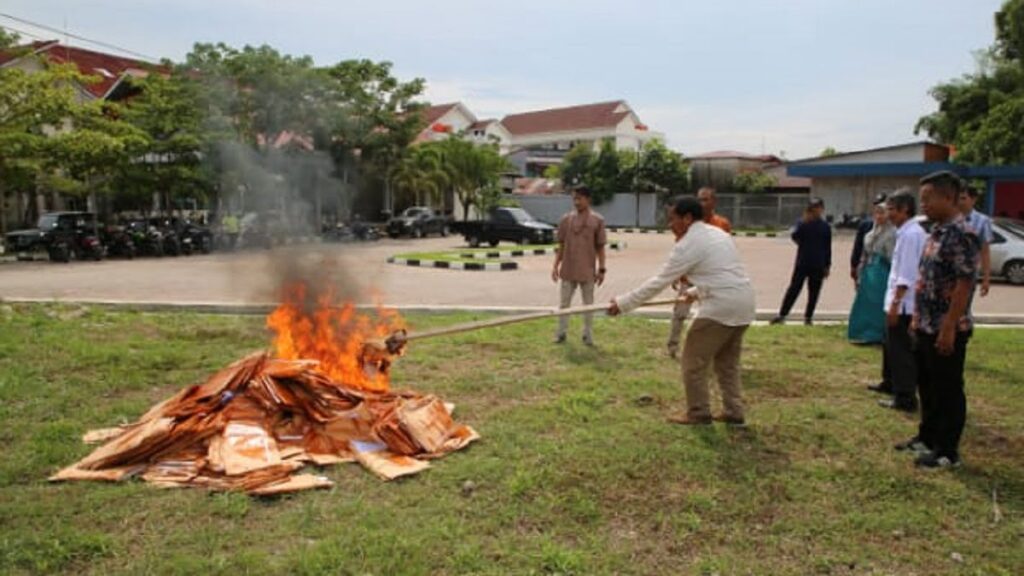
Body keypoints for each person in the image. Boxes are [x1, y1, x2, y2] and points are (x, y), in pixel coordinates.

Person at [609, 197, 756, 425]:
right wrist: (695, 292)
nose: (670, 225)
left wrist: (623, 303)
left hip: (721, 308)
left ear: (687, 218)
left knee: (692, 362)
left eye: (673, 219)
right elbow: (722, 273)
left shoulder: (687, 245)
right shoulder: (719, 234)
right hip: (744, 303)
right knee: (727, 363)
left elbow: (659, 282)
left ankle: (698, 412)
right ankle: (734, 411)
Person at [896, 171, 979, 469]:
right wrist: (917, 319)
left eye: (928, 199)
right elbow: (926, 279)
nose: (924, 204)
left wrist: (948, 327)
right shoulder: (936, 231)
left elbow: (964, 284)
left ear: (948, 197)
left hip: (948, 328)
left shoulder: (962, 234)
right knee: (927, 385)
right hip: (927, 324)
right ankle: (927, 437)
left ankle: (947, 451)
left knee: (948, 389)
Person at [869, 189, 928, 412]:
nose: (889, 213)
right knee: (891, 347)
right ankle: (892, 384)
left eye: (893, 209)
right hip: (897, 302)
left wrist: (895, 304)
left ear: (905, 210)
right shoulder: (904, 231)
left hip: (903, 305)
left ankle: (905, 398)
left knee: (901, 352)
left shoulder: (912, 234)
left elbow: (907, 273)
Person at [666, 187, 732, 358]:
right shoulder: (688, 223)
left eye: (705, 199)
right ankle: (673, 347)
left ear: (714, 202)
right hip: (689, 277)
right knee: (680, 312)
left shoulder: (722, 224)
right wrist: (677, 274)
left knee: (711, 316)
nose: (701, 203)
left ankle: (713, 350)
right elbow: (682, 250)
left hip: (711, 280)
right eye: (699, 199)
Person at [552, 186, 607, 346]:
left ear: (588, 199)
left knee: (588, 305)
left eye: (579, 198)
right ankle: (561, 333)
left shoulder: (597, 220)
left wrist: (602, 269)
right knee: (564, 304)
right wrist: (555, 266)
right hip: (568, 269)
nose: (576, 202)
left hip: (588, 270)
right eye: (574, 199)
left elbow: (600, 247)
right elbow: (561, 245)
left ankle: (587, 335)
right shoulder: (566, 220)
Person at [770, 197, 832, 325]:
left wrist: (827, 265)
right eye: (813, 208)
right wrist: (804, 222)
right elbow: (794, 236)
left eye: (818, 208)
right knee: (794, 289)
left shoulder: (825, 227)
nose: (815, 210)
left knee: (814, 292)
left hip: (818, 263)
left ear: (822, 209)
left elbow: (828, 247)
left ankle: (808, 317)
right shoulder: (802, 223)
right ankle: (782, 315)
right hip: (803, 262)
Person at [847, 196, 895, 344]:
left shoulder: (892, 234)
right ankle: (862, 333)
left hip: (883, 271)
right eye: (877, 213)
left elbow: (892, 256)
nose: (879, 216)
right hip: (869, 271)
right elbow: (863, 252)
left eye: (883, 213)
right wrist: (859, 271)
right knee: (865, 302)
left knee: (879, 303)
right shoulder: (870, 234)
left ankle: (878, 334)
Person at [959, 186, 993, 297]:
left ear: (973, 199)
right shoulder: (950, 218)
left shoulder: (982, 221)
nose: (960, 201)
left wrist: (986, 279)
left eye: (964, 198)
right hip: (948, 273)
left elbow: (985, 251)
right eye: (958, 198)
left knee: (963, 307)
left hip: (969, 273)